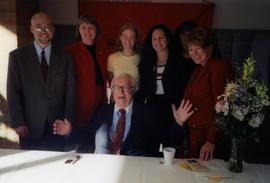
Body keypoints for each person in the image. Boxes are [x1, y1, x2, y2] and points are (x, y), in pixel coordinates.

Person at [7, 12, 75, 151]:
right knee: (29, 167)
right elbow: (13, 91)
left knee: (56, 168)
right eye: (38, 27)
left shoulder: (66, 58)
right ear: (31, 29)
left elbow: (70, 93)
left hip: (57, 127)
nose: (43, 31)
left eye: (47, 27)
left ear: (53, 29)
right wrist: (18, 122)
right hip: (28, 127)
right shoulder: (17, 57)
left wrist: (67, 122)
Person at [54, 73, 159, 156]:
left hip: (132, 167)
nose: (121, 92)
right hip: (102, 165)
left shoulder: (147, 112)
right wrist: (69, 131)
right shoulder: (102, 111)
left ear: (133, 90)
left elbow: (160, 139)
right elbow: (88, 136)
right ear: (112, 91)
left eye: (125, 87)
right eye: (117, 88)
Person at [172, 27, 234, 160]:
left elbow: (224, 108)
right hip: (195, 139)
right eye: (190, 49)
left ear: (210, 47)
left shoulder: (218, 67)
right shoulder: (198, 70)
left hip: (208, 142)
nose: (194, 53)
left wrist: (212, 140)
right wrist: (179, 118)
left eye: (198, 47)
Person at [138, 24, 189, 155]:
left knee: (171, 149)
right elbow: (143, 89)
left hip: (173, 109)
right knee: (150, 149)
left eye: (161, 38)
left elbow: (184, 88)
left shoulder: (179, 62)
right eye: (154, 39)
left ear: (168, 40)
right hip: (152, 109)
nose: (157, 42)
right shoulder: (147, 62)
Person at [65, 15, 107, 151]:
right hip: (80, 106)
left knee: (98, 140)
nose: (87, 31)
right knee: (82, 143)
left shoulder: (103, 50)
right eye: (83, 27)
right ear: (78, 30)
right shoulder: (70, 51)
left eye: (91, 28)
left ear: (96, 30)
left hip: (100, 104)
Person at [107, 23, 140, 90]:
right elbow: (111, 84)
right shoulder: (112, 58)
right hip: (118, 98)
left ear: (135, 39)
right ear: (120, 38)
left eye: (131, 37)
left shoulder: (141, 58)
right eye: (125, 37)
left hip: (137, 99)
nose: (128, 40)